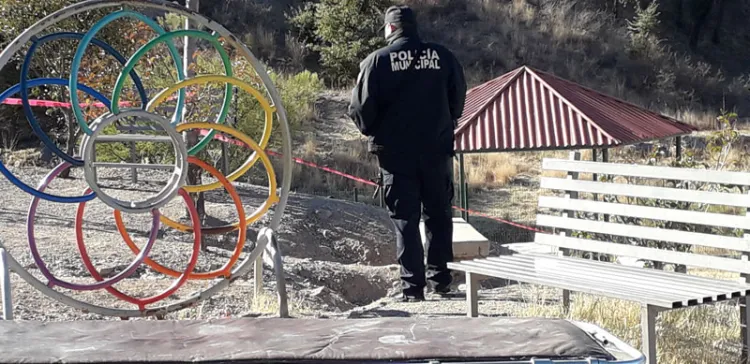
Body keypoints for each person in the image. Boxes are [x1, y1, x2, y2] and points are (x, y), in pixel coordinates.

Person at [348, 5, 467, 302]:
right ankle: (441, 282)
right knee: (439, 215)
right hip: (436, 151)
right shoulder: (443, 57)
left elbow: (360, 112)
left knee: (406, 219)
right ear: (414, 28)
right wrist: (444, 121)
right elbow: (458, 99)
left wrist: (377, 129)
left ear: (389, 29)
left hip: (396, 155)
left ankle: (413, 289)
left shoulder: (376, 62)